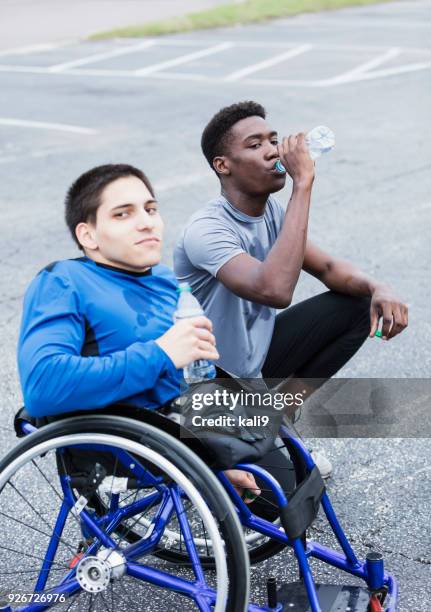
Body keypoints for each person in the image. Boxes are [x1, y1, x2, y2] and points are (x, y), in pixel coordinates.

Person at [174, 101, 409, 479]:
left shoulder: (272, 214)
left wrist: (378, 286)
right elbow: (274, 290)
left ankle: (276, 415)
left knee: (358, 304)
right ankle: (222, 452)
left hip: (255, 365)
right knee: (287, 496)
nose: (272, 151)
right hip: (209, 384)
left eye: (273, 140)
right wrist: (302, 184)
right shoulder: (207, 230)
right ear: (223, 165)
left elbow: (329, 268)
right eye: (255, 145)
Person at [17, 163, 266, 504]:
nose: (146, 221)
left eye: (151, 209)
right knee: (280, 500)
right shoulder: (63, 282)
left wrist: (213, 455)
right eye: (123, 214)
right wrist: (161, 353)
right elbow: (43, 386)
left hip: (185, 426)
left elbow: (183, 380)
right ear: (88, 235)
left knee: (290, 489)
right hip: (129, 443)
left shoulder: (164, 280)